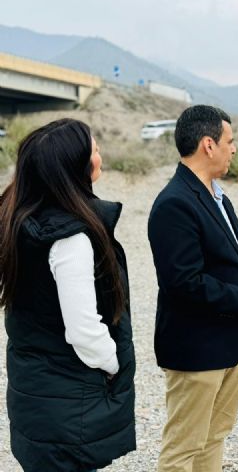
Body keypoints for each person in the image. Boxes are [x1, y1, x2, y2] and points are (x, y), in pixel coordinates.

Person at [0, 119, 136, 472]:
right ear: (77, 167)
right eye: (95, 149)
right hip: (66, 408)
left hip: (33, 398)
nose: (100, 156)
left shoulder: (19, 221)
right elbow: (83, 330)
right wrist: (113, 363)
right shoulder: (69, 238)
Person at [148, 105, 238, 472]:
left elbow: (235, 255)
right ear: (208, 144)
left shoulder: (218, 195)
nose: (234, 149)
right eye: (230, 141)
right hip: (196, 349)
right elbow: (182, 282)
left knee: (215, 437)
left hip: (230, 345)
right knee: (183, 449)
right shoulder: (174, 203)